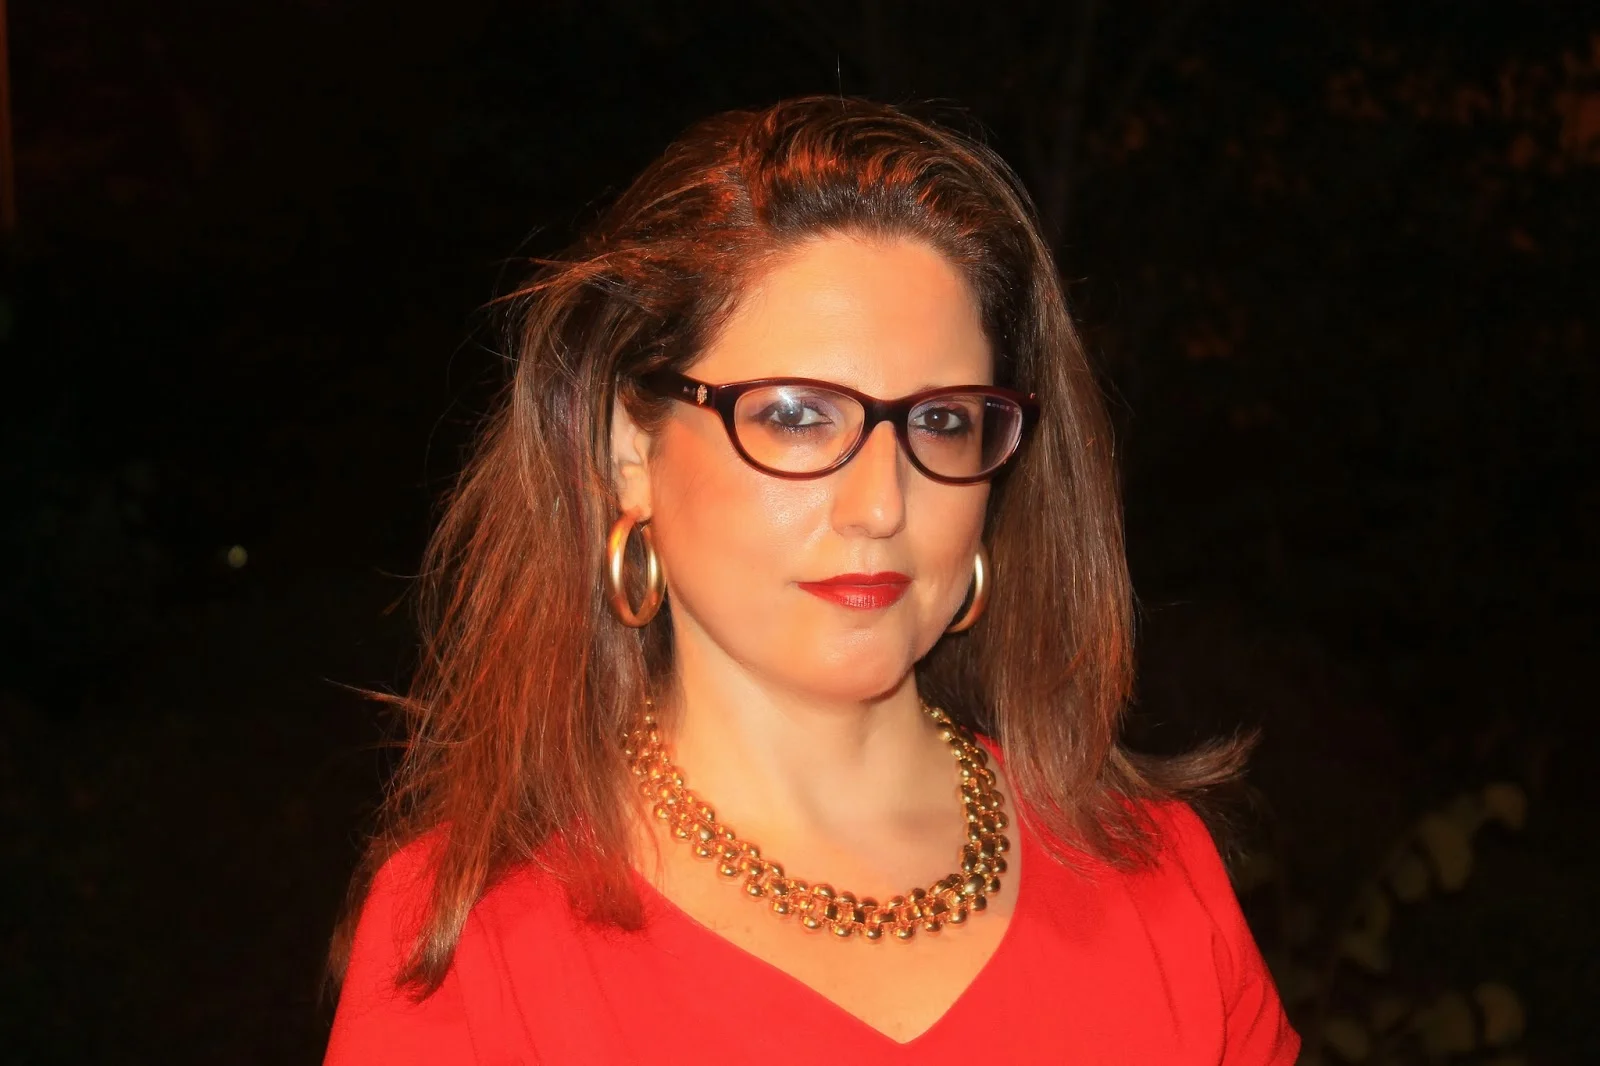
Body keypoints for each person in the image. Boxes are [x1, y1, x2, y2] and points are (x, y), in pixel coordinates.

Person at [322, 96, 1300, 1064]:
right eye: (795, 415)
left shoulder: (1158, 882)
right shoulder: (475, 944)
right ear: (629, 449)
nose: (880, 504)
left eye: (941, 422)